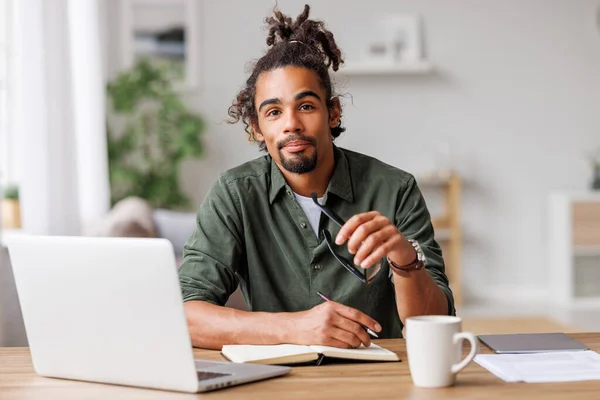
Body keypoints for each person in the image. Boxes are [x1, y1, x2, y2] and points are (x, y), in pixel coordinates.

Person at [179, 4, 454, 350]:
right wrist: (292, 330)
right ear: (256, 129)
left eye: (306, 106)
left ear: (333, 112)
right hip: (276, 381)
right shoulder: (233, 194)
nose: (291, 123)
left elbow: (436, 322)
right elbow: (187, 317)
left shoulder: (396, 189)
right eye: (274, 112)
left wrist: (404, 259)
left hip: (379, 381)